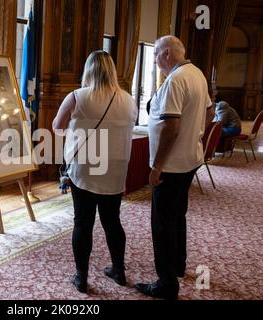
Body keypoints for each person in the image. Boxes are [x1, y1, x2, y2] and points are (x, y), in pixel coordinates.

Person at [134, 36, 213, 300]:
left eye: (156, 54)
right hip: (190, 159)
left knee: (162, 222)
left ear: (167, 53)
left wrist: (157, 166)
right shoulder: (197, 73)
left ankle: (166, 282)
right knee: (177, 215)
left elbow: (171, 127)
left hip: (171, 165)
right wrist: (197, 133)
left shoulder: (176, 80)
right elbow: (210, 113)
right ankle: (177, 265)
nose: (155, 60)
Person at [52, 51, 138, 294]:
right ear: (112, 70)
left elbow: (57, 127)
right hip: (116, 168)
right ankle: (119, 270)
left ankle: (81, 277)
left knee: (83, 223)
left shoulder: (77, 97)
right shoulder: (129, 100)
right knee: (112, 222)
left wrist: (74, 127)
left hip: (85, 168)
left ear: (88, 70)